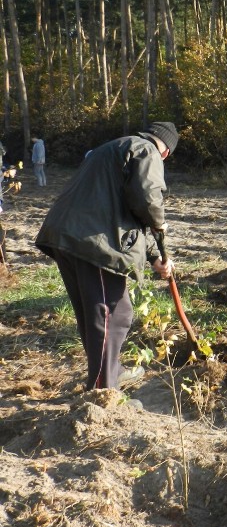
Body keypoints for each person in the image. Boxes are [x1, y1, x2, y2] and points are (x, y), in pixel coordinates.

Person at [34, 122, 179, 392]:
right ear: (166, 151)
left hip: (65, 235)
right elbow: (146, 199)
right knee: (114, 312)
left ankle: (110, 371)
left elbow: (121, 210)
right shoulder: (146, 151)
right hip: (93, 242)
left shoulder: (112, 148)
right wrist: (160, 224)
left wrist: (154, 256)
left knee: (93, 316)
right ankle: (103, 390)